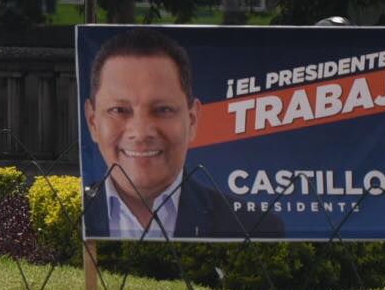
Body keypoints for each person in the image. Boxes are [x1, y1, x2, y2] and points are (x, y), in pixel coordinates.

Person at [81, 28, 281, 240]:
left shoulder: (253, 226)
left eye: (163, 110)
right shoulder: (63, 221)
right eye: (119, 110)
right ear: (93, 121)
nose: (140, 133)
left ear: (192, 119)